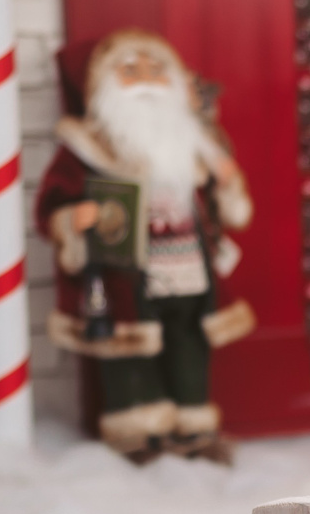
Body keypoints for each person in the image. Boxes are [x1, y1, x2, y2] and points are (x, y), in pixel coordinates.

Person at [35, 29, 256, 462]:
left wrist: (228, 184)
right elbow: (52, 207)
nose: (147, 82)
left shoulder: (194, 143)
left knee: (189, 340)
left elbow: (225, 207)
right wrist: (73, 219)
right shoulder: (89, 148)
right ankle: (139, 430)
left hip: (189, 267)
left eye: (157, 70)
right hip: (126, 272)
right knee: (129, 346)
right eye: (131, 71)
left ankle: (194, 426)